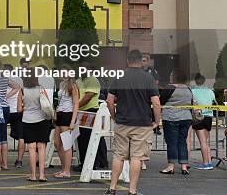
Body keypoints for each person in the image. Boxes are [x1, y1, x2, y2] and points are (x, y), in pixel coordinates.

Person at [105, 49, 161, 195]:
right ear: (140, 60)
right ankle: (132, 190)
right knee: (136, 157)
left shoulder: (119, 77)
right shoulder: (148, 78)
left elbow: (110, 100)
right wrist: (157, 121)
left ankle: (112, 188)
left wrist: (114, 116)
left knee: (118, 155)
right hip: (142, 123)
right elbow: (156, 103)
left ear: (128, 61)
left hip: (122, 122)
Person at [159, 69, 194, 174]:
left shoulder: (170, 88)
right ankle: (184, 166)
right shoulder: (188, 89)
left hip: (171, 118)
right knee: (182, 141)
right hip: (186, 118)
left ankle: (171, 166)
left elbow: (161, 101)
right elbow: (191, 103)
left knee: (172, 142)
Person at [75, 66, 109, 171]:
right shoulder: (78, 80)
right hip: (81, 112)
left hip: (91, 111)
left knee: (93, 138)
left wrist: (75, 106)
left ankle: (98, 162)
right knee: (82, 138)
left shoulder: (93, 80)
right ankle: (84, 162)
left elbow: (88, 96)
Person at [21, 75, 52, 182]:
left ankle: (33, 175)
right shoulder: (41, 89)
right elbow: (47, 104)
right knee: (41, 148)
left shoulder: (22, 90)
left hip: (27, 120)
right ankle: (42, 175)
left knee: (31, 148)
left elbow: (19, 108)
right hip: (42, 119)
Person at [53, 69, 79, 178]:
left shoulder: (73, 86)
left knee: (67, 144)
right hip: (60, 114)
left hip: (68, 115)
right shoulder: (61, 84)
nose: (63, 74)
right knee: (57, 143)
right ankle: (64, 168)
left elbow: (76, 104)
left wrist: (72, 121)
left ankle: (67, 171)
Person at [190, 73, 215, 170]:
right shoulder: (210, 91)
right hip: (209, 116)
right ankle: (209, 162)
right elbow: (213, 101)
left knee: (202, 141)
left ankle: (205, 163)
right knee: (206, 141)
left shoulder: (193, 91)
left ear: (195, 81)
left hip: (199, 116)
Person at [3, 63, 24, 168]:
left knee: (2, 136)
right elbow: (23, 93)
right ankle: (19, 160)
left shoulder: (2, 79)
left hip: (5, 110)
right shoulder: (19, 79)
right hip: (18, 110)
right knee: (21, 137)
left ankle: (4, 161)